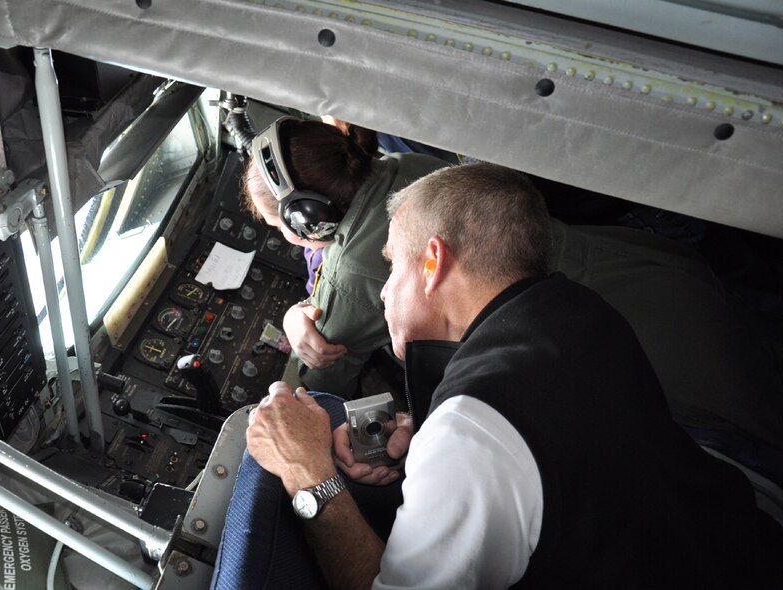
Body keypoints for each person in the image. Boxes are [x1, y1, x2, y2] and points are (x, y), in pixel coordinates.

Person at [242, 163, 783, 588]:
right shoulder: (577, 310)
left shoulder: (472, 434)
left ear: (432, 263)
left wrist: (305, 472)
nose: (383, 290)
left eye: (393, 265)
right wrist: (427, 434)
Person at [243, 116, 448, 398]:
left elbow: (323, 387)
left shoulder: (350, 274)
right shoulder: (405, 162)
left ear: (306, 219)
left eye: (279, 226)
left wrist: (297, 320)